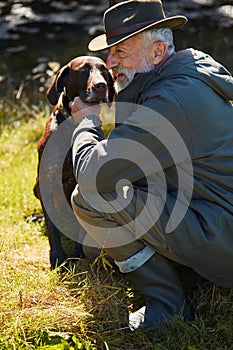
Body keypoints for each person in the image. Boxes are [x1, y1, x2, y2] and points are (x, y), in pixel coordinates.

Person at [69, 0, 233, 332]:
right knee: (96, 234)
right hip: (218, 212)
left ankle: (168, 303)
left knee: (90, 199)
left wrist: (86, 124)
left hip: (224, 233)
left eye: (121, 52)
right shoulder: (189, 71)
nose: (110, 63)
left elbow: (92, 176)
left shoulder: (169, 102)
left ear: (157, 52)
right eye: (110, 51)